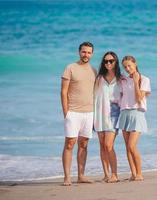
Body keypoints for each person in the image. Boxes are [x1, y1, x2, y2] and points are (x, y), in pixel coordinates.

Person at [61, 42, 97, 186]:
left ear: (92, 54)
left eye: (88, 52)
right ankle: (67, 177)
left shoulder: (94, 70)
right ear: (79, 52)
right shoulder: (70, 68)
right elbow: (63, 91)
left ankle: (81, 175)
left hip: (89, 113)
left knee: (84, 144)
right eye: (83, 52)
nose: (86, 55)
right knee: (70, 144)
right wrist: (66, 112)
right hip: (73, 113)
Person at [116, 55, 151, 181]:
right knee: (127, 147)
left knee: (132, 146)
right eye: (125, 67)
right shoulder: (123, 80)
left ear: (135, 64)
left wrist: (136, 81)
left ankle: (139, 173)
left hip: (137, 113)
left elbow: (139, 98)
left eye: (129, 65)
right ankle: (133, 173)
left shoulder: (144, 79)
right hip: (124, 113)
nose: (127, 68)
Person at [93, 51, 122, 183]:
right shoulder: (98, 78)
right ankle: (106, 174)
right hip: (99, 115)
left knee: (108, 145)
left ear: (116, 62)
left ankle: (114, 174)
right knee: (102, 146)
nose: (108, 63)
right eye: (106, 61)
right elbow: (92, 97)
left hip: (114, 115)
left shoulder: (121, 79)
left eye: (111, 61)